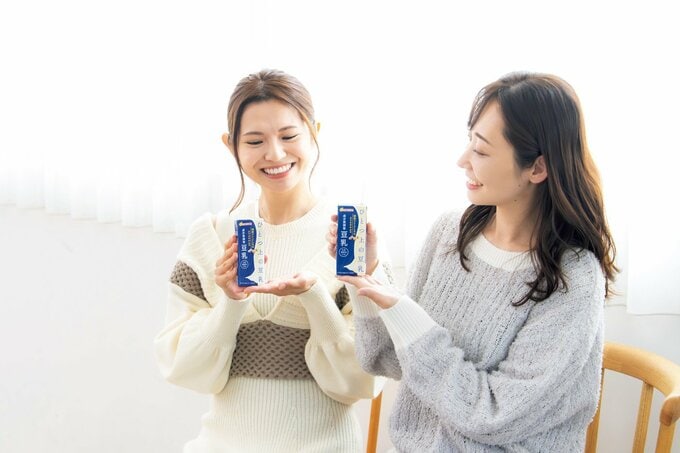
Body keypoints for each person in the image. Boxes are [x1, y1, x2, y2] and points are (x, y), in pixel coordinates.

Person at [330, 72, 618, 452]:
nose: (462, 160)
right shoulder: (451, 232)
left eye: (481, 151)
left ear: (537, 168)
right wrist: (367, 277)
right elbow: (389, 359)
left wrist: (407, 315)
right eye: (470, 141)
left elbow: (493, 415)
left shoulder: (573, 280)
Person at [154, 69, 384, 453]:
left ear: (315, 132)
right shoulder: (211, 236)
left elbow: (365, 380)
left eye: (289, 136)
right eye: (255, 141)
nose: (275, 154)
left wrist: (314, 296)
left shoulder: (351, 237)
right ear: (231, 145)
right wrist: (231, 303)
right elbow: (183, 370)